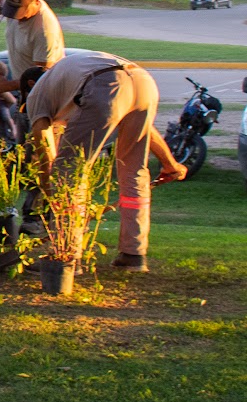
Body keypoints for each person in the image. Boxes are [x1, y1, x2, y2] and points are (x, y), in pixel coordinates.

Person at [24, 51, 187, 273]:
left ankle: (67, 257)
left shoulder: (36, 95)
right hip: (143, 82)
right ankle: (133, 254)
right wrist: (170, 164)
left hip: (102, 85)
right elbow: (145, 128)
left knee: (69, 173)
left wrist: (47, 184)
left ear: (29, 87)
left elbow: (42, 141)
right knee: (134, 169)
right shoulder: (65, 78)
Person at [0, 0, 66, 96]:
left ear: (36, 0)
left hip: (46, 97)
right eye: (11, 10)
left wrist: (8, 85)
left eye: (20, 12)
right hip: (26, 92)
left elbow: (43, 76)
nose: (16, 17)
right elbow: (0, 2)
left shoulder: (44, 30)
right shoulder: (17, 1)